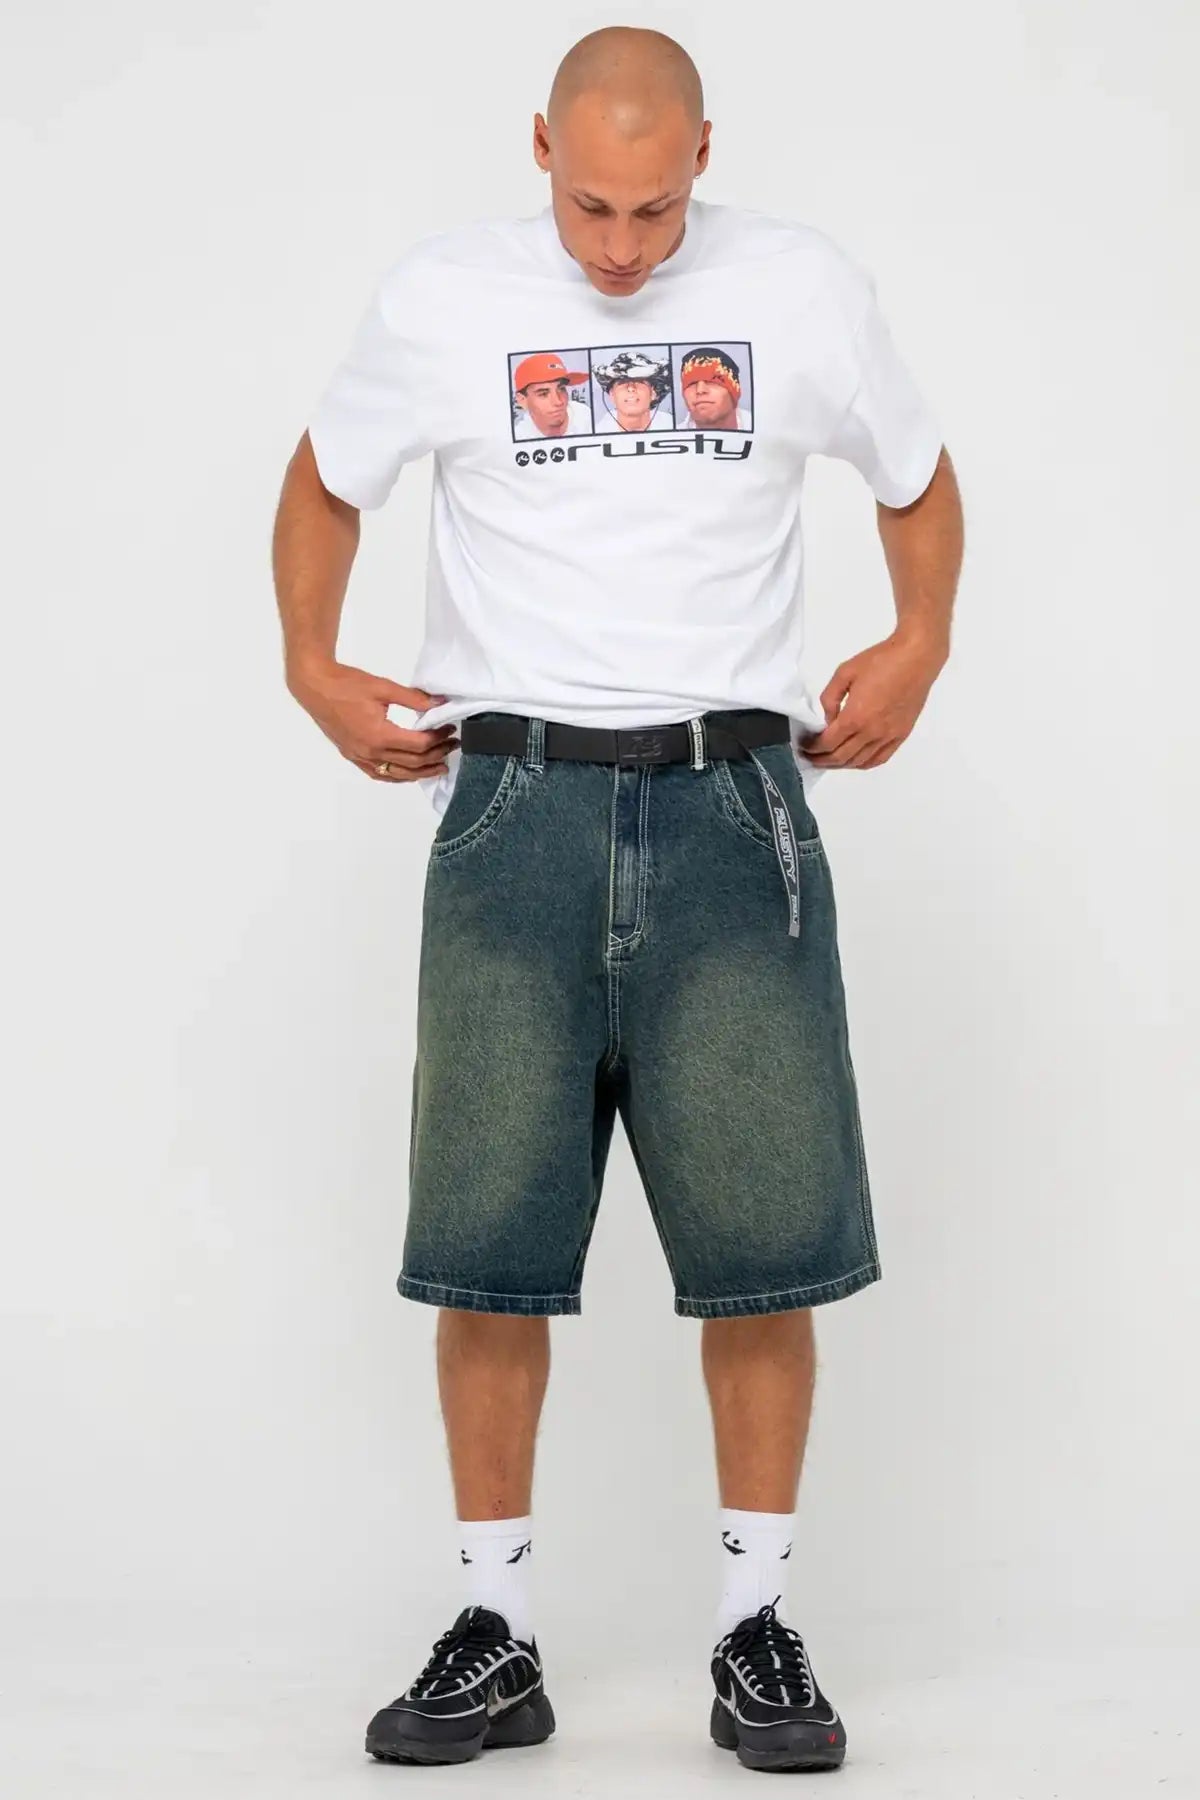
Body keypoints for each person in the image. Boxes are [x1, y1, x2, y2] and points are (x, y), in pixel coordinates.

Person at [272, 22, 963, 1776]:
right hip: (511, 804)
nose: (622, 250)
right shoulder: (443, 300)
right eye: (592, 207)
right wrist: (310, 663)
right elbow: (320, 480)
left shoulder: (802, 290)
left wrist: (924, 635)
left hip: (739, 799)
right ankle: (495, 1631)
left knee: (762, 1251)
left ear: (705, 157)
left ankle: (755, 1630)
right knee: (489, 1252)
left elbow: (920, 477)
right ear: (540, 152)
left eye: (657, 212)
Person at [511, 350, 593, 438]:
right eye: (543, 394)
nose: (558, 402)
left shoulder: (586, 417)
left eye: (561, 389)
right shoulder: (519, 436)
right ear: (522, 400)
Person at [592, 347, 674, 430]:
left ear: (653, 393)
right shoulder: (597, 431)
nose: (631, 388)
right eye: (622, 382)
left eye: (639, 381)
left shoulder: (672, 426)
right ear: (612, 395)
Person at [679, 343, 752, 430]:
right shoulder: (672, 439)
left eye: (712, 381)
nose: (700, 390)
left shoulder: (763, 427)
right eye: (691, 383)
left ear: (735, 389)